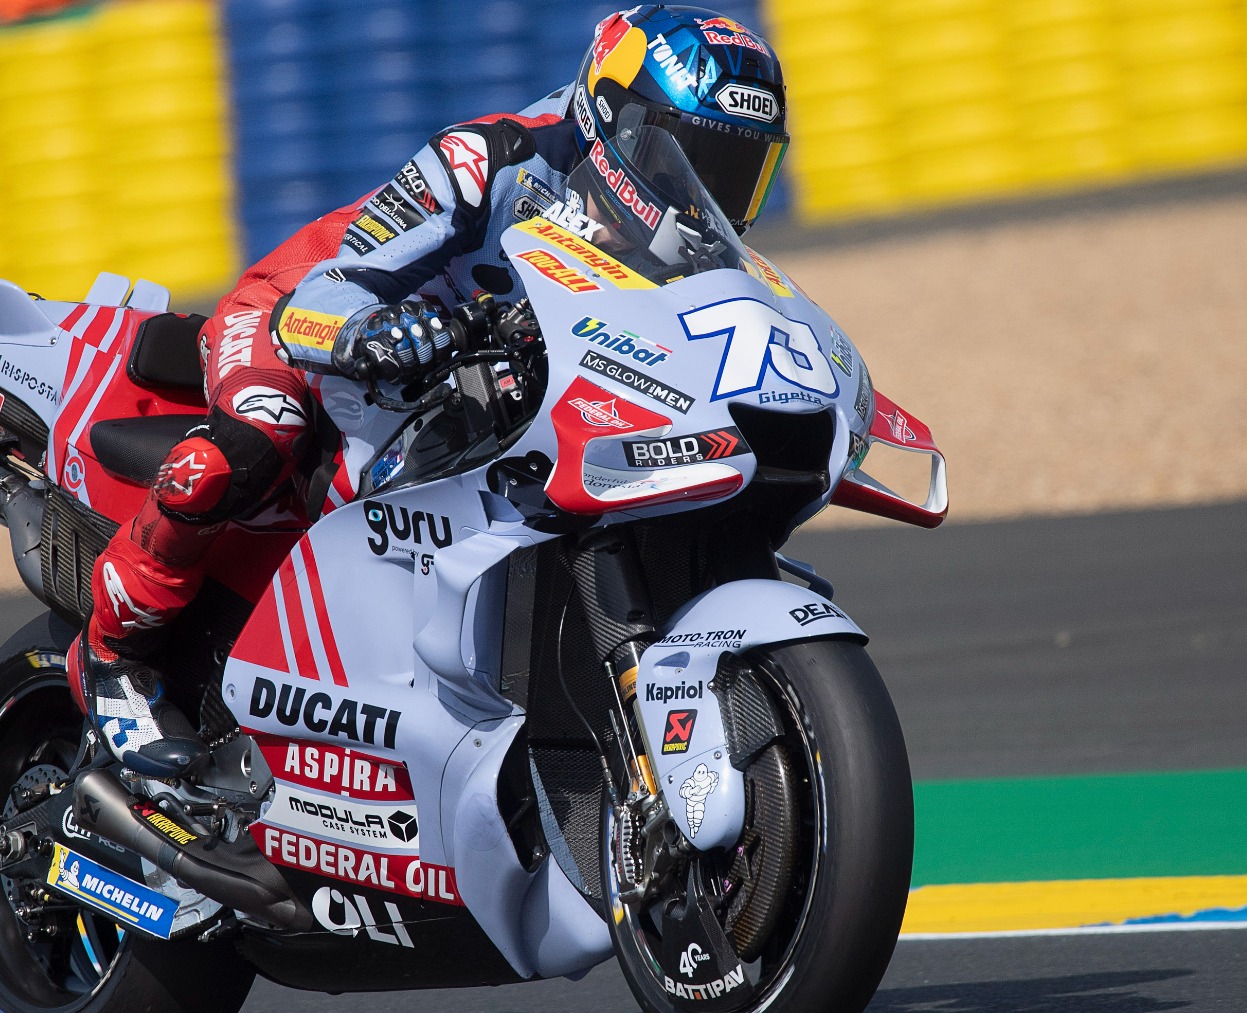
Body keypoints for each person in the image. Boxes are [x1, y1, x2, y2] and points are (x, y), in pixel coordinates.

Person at [70, 5, 791, 779]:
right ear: (617, 123)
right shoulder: (490, 160)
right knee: (259, 432)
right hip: (297, 319)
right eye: (693, 162)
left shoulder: (687, 249)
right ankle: (112, 654)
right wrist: (369, 333)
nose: (705, 199)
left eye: (734, 174)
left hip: (478, 378)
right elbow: (328, 284)